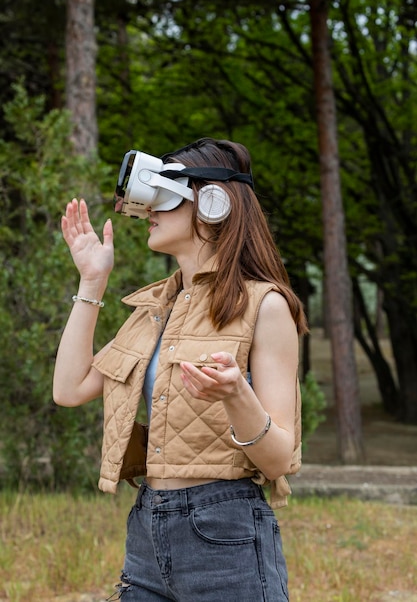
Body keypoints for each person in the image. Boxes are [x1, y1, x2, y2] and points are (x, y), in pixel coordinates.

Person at [53, 137, 308, 602]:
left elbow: (278, 460)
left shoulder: (265, 305)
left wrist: (237, 396)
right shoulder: (156, 307)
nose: (149, 210)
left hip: (226, 532)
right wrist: (92, 280)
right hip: (147, 529)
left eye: (165, 197)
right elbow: (70, 388)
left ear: (212, 202)